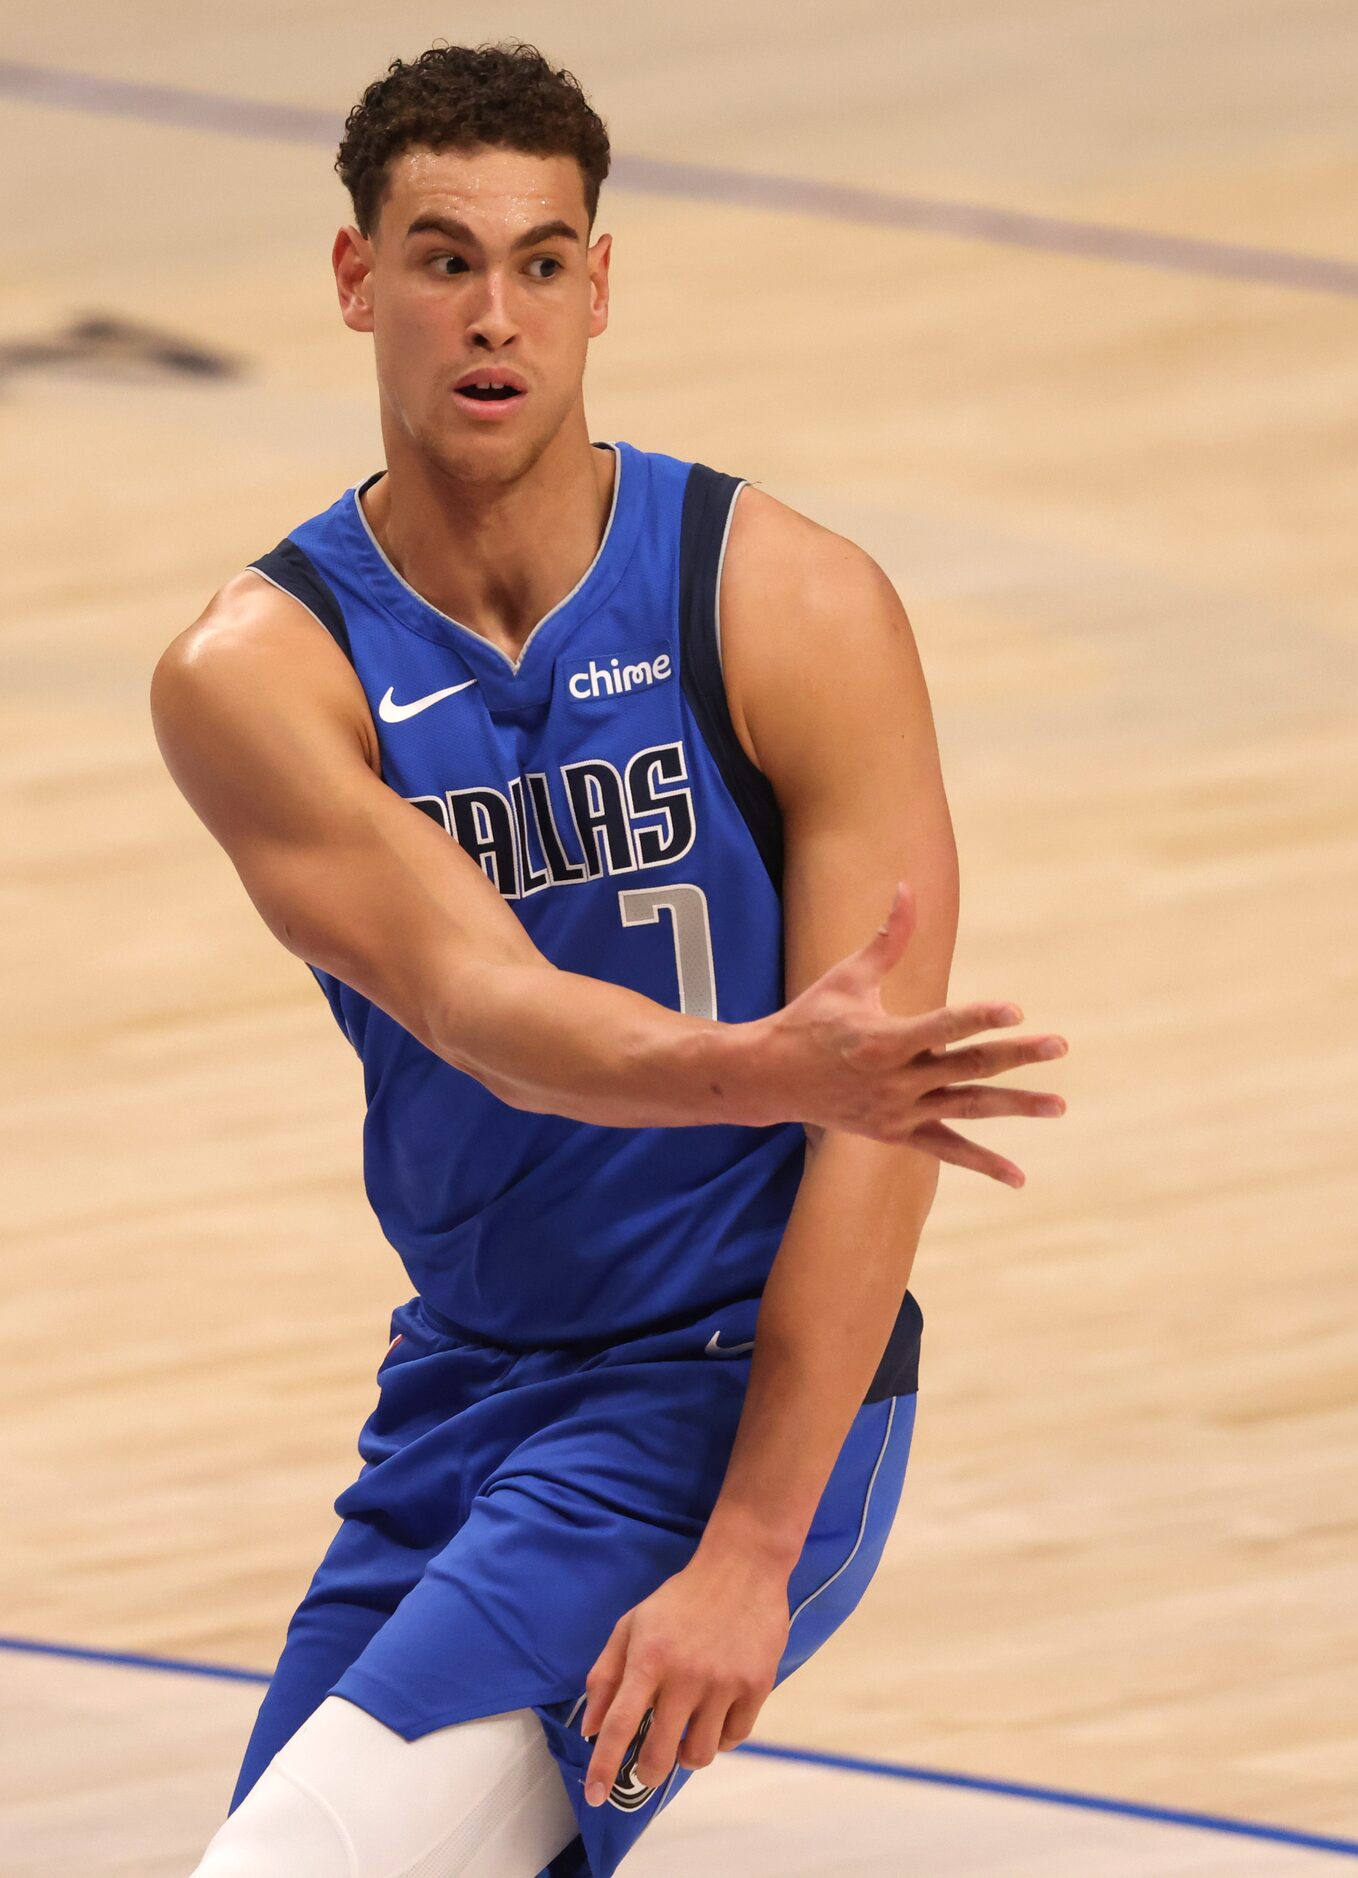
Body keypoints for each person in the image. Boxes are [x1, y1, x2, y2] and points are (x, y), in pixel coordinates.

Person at [152, 42, 1067, 1878]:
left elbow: (876, 1137)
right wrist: (766, 1068)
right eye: (441, 258)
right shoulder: (261, 667)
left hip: (722, 1390)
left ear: (599, 282)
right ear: (356, 283)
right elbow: (483, 1012)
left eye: (542, 261)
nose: (497, 316)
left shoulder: (787, 601)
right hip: (463, 1385)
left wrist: (748, 1548)